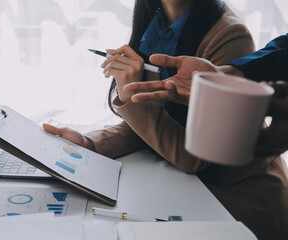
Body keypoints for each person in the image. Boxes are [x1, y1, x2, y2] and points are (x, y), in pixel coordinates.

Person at [43, 0, 266, 237]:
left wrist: (131, 92)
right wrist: (89, 144)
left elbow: (195, 158)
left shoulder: (230, 37)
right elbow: (156, 122)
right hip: (188, 193)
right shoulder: (156, 20)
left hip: (235, 207)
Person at [122, 34, 288, 239]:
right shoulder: (153, 28)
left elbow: (193, 159)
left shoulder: (229, 35)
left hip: (242, 208)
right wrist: (226, 74)